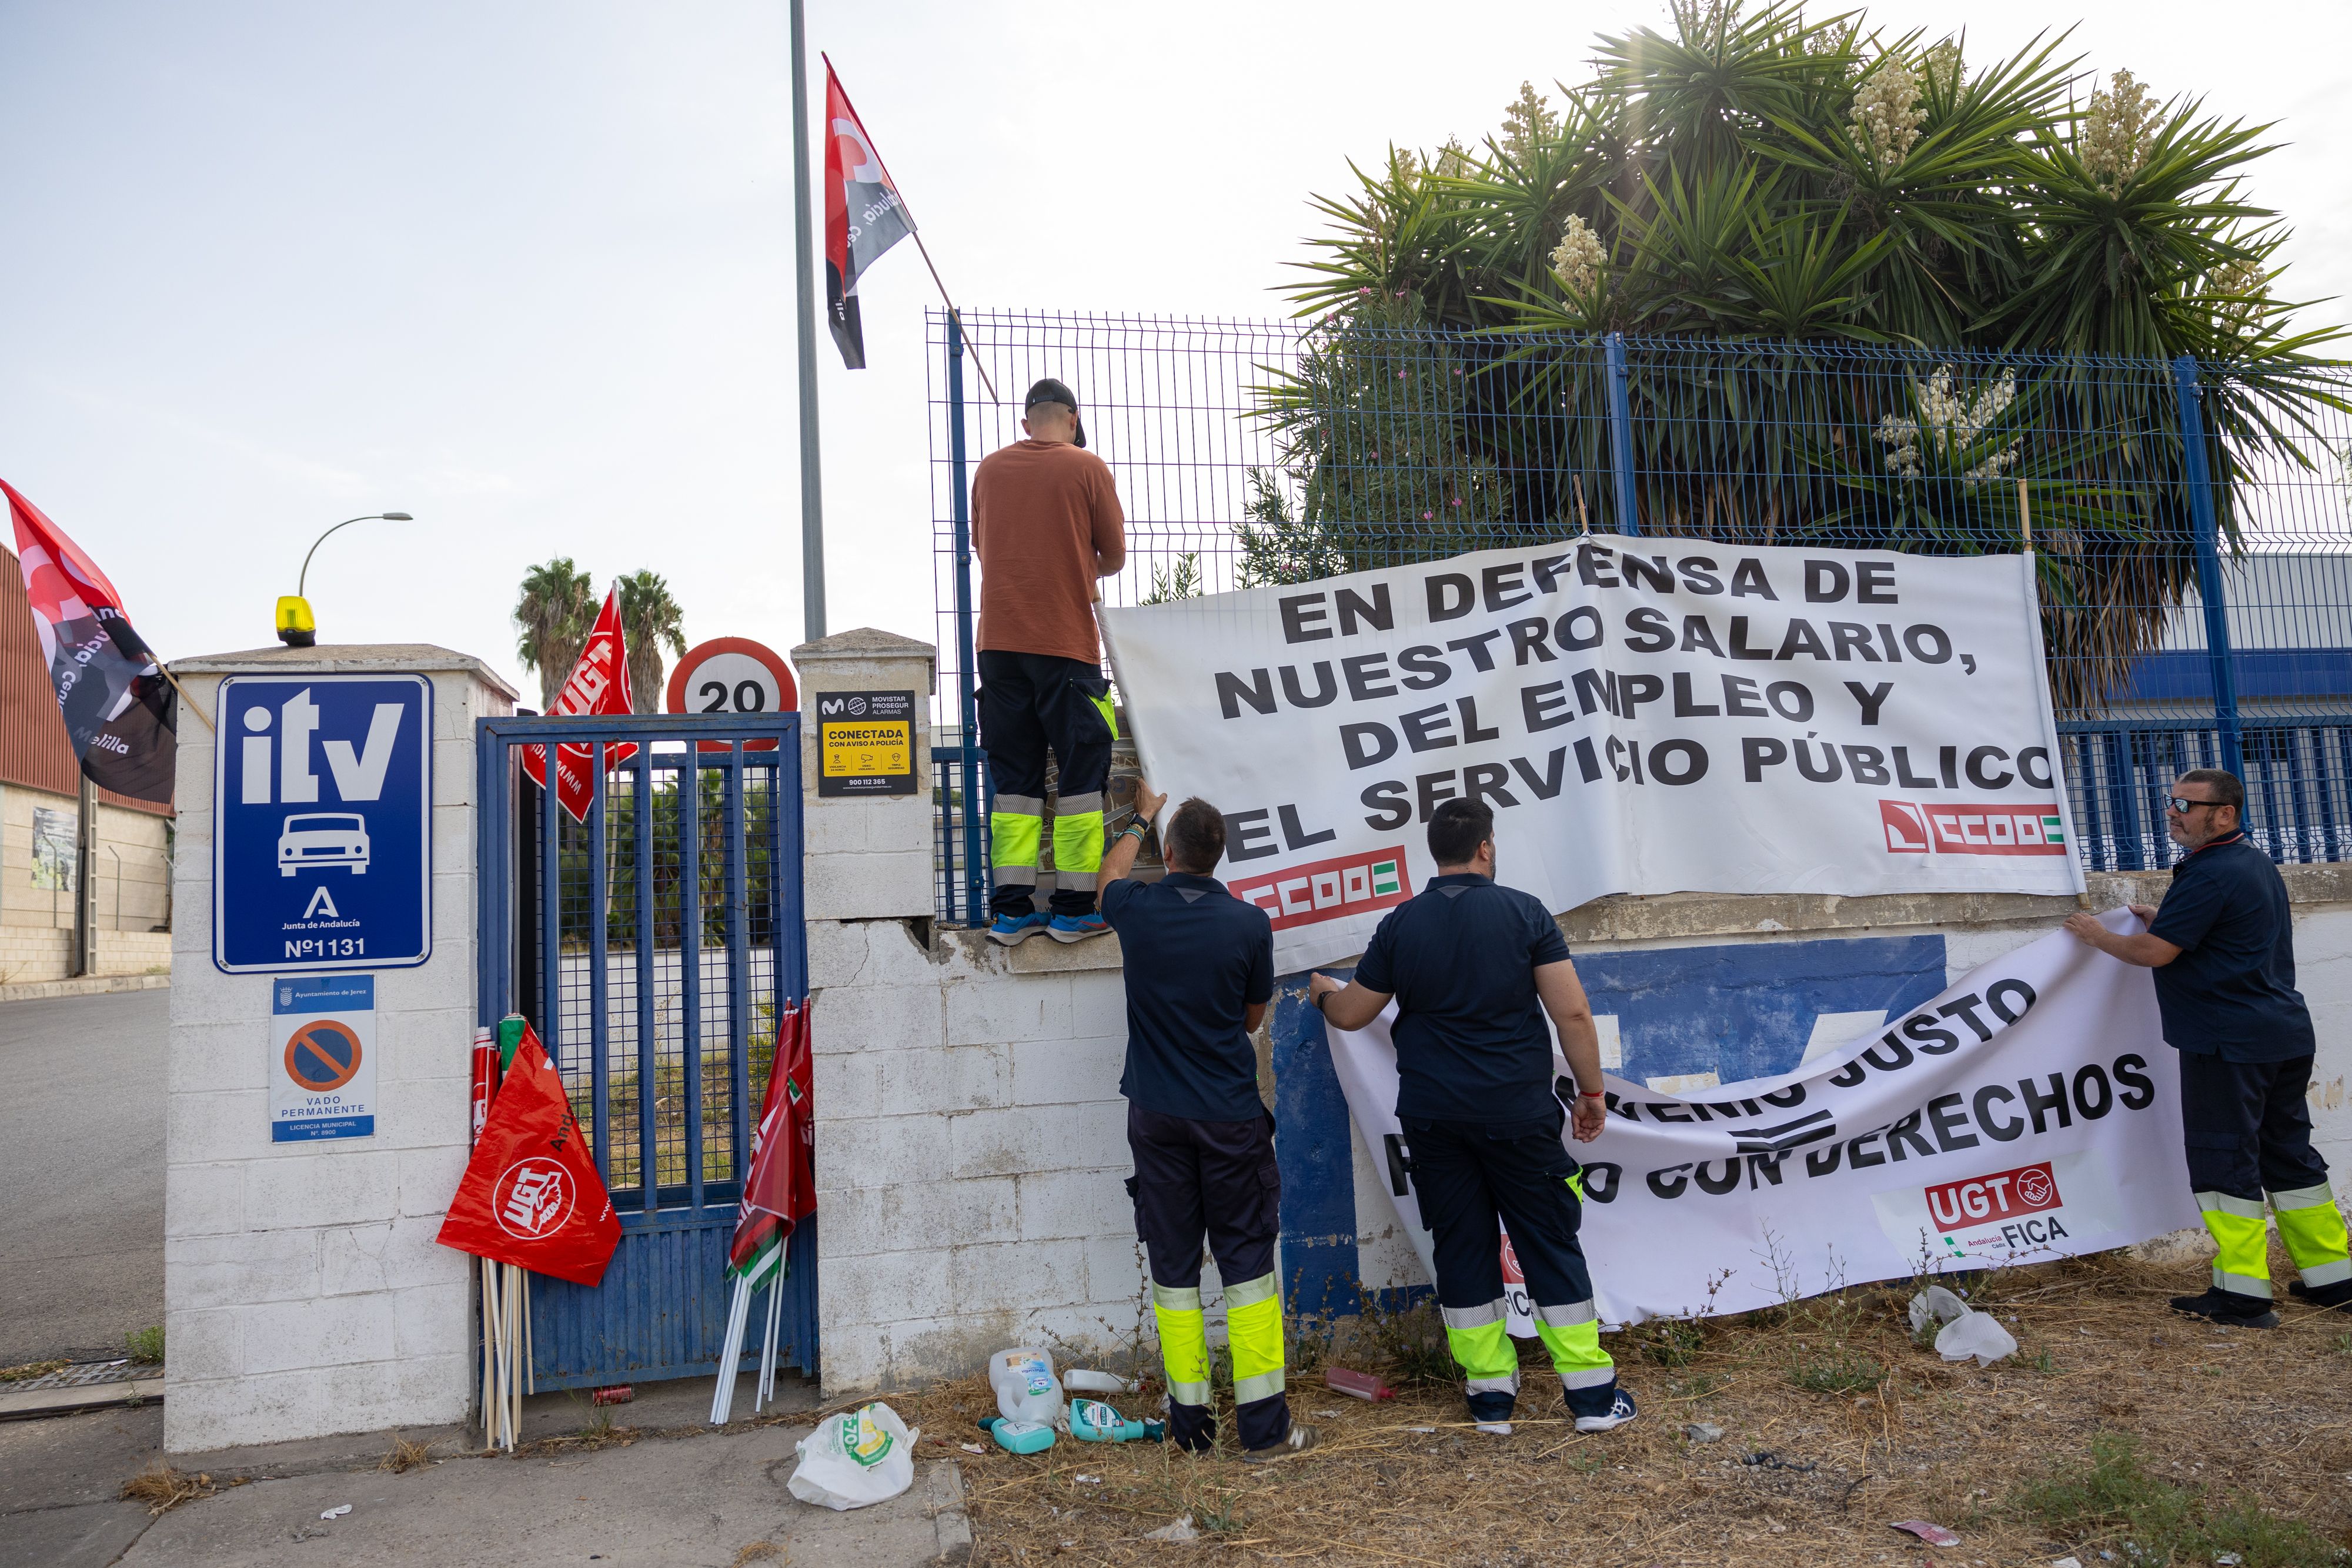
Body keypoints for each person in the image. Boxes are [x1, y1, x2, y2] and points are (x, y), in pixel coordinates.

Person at [1307, 797, 1636, 1436]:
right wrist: (1591, 1095)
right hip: (1516, 1114)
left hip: (1434, 1121)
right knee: (1547, 1242)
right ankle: (1592, 1398)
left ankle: (1490, 1400)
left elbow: (1352, 1015)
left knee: (1461, 1249)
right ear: (1485, 847)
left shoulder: (1402, 924)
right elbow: (1570, 1015)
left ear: (1435, 852)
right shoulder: (1524, 914)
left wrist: (1322, 992)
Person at [2064, 768, 2351, 1326]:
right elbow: (2210, 933)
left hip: (2230, 1043)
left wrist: (2100, 937)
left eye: (2187, 805)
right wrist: (2162, 918)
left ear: (2225, 814)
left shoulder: (2212, 871)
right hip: (2282, 1035)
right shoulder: (2250, 861)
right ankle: (2334, 1277)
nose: (2173, 811)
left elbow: (2156, 953)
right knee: (2290, 1155)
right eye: (2171, 801)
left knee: (2226, 1164)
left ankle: (2242, 1295)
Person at [1097, 779, 1316, 1462]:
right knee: (1248, 1268)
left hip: (1156, 1118)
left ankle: (1190, 1428)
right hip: (1228, 1118)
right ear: (1221, 857)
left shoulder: (1136, 906)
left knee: (1173, 1268)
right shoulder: (1249, 924)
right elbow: (1253, 1019)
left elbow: (1106, 877)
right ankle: (1263, 1432)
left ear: (1168, 852)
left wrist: (1139, 815)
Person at [971, 377, 1125, 946]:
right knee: (1083, 775)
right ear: (1074, 417)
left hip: (999, 648)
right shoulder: (1087, 467)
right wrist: (1076, 562)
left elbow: (986, 549)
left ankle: (1010, 911)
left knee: (1014, 784)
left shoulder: (987, 470)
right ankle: (1074, 908)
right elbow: (1115, 556)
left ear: (1026, 421)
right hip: (1065, 643)